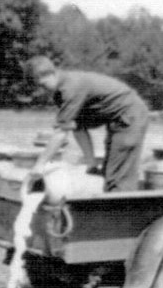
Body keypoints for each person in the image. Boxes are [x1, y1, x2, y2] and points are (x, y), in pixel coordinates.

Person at [27, 56, 149, 192]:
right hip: (117, 118)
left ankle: (121, 209)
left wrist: (39, 165)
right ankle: (110, 204)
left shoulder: (70, 87)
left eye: (43, 84)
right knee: (108, 172)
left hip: (130, 115)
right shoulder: (59, 93)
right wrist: (91, 163)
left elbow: (60, 134)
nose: (43, 90)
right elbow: (76, 127)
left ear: (52, 73)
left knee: (119, 176)